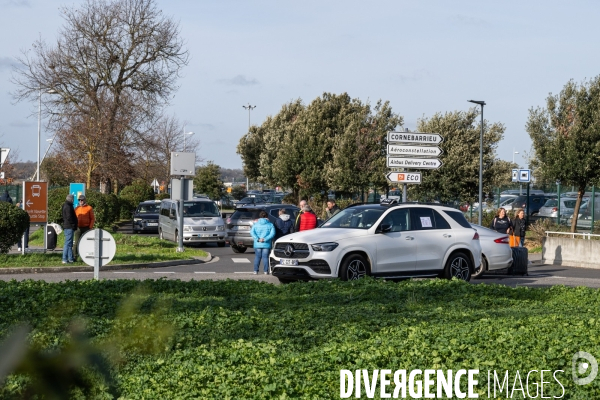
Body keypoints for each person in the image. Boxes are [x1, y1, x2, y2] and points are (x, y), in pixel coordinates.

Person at [250, 210, 275, 275]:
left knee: (257, 257)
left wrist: (258, 239)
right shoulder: (270, 224)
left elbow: (252, 232)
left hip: (257, 243)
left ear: (260, 216)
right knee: (265, 257)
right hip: (266, 243)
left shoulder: (256, 224)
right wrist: (265, 239)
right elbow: (272, 234)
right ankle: (266, 271)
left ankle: (255, 270)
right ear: (266, 216)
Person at [73, 194, 95, 261]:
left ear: (85, 200)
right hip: (78, 228)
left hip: (86, 228)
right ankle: (74, 256)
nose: (81, 201)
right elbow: (74, 218)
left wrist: (90, 227)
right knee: (76, 243)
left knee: (86, 242)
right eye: (79, 200)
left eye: (82, 200)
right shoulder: (76, 208)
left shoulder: (89, 208)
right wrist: (75, 226)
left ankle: (86, 257)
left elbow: (92, 219)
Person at [62, 194, 78, 264]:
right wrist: (73, 224)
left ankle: (70, 258)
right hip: (69, 227)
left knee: (69, 243)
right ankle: (64, 259)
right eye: (73, 199)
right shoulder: (68, 206)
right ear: (71, 199)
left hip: (67, 226)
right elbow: (69, 217)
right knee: (68, 243)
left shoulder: (66, 205)